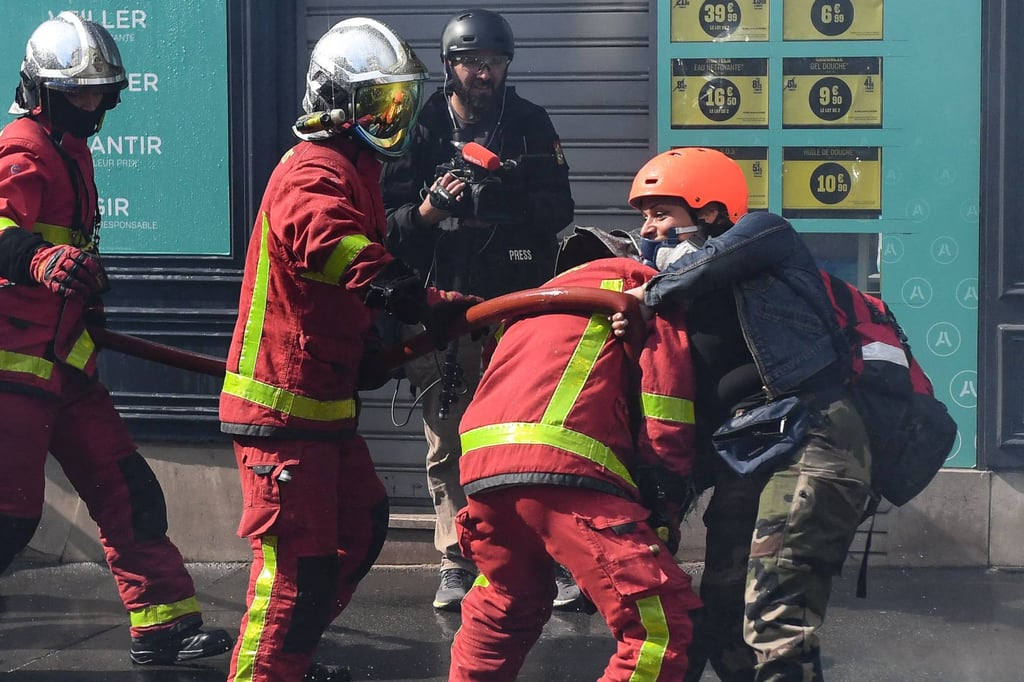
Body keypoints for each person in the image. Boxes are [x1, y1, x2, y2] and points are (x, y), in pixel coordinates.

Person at [218, 17, 479, 682]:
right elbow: (327, 243)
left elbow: (333, 290)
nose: (394, 117)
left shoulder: (353, 170)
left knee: (360, 528)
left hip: (321, 411)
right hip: (283, 415)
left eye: (399, 102)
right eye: (380, 104)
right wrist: (411, 297)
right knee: (292, 577)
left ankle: (292, 657)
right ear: (336, 102)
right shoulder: (314, 168)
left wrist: (386, 334)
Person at [0, 11, 233, 667]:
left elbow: (66, 243)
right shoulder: (23, 148)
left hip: (66, 369)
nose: (97, 102)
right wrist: (36, 261)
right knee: (9, 520)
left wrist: (82, 275)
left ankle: (163, 627)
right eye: (81, 91)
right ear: (43, 91)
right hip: (13, 369)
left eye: (102, 90)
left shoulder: (72, 150)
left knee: (129, 491)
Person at [617, 148, 873, 682]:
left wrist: (650, 294)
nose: (648, 229)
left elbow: (706, 266)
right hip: (748, 449)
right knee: (723, 615)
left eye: (660, 213)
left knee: (776, 614)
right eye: (642, 215)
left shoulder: (764, 235)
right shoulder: (673, 294)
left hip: (812, 435)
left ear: (709, 211)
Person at [380, 7, 577, 611]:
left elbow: (559, 212)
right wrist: (433, 211)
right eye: (470, 63)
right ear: (449, 66)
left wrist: (502, 197)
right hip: (439, 309)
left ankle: (548, 559)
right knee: (447, 439)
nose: (482, 74)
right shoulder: (416, 125)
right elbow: (382, 228)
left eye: (492, 63)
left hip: (518, 308)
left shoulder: (530, 123)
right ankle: (456, 560)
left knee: (533, 435)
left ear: (506, 66)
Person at [449, 255, 701, 681]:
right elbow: (665, 402)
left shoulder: (531, 308)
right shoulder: (640, 290)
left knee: (504, 604)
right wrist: (665, 495)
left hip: (484, 470)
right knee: (660, 627)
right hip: (568, 468)